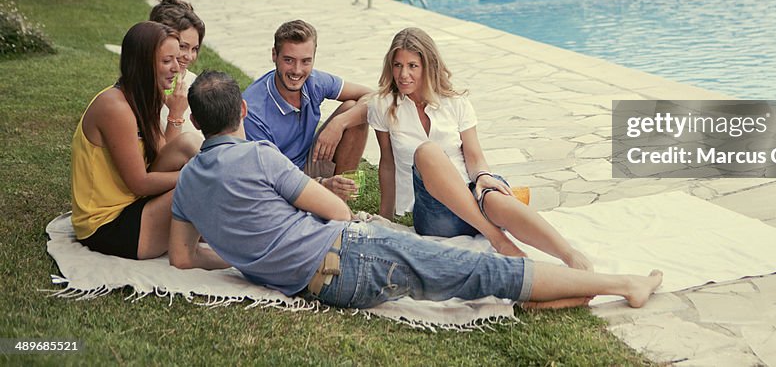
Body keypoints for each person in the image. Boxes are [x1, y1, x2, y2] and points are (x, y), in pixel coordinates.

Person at [170, 70, 663, 310]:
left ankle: (552, 289)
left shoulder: (187, 185)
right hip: (351, 258)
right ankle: (624, 284)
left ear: (196, 119)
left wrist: (243, 255)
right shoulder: (259, 156)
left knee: (473, 277)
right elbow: (337, 212)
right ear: (240, 114)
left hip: (320, 286)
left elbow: (184, 258)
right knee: (483, 269)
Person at [369, 27, 592, 270]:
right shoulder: (383, 106)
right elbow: (387, 164)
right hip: (435, 213)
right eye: (398, 65)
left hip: (472, 193)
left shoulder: (456, 102)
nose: (403, 74)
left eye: (413, 65)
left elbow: (474, 157)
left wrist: (484, 177)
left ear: (428, 66)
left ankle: (569, 255)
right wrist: (386, 219)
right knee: (427, 152)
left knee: (493, 194)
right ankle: (499, 240)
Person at [71, 21, 202, 259]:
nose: (176, 68)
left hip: (136, 205)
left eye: (177, 58)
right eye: (166, 61)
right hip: (108, 225)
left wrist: (174, 115)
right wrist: (197, 174)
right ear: (142, 64)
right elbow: (140, 183)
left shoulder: (143, 97)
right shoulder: (115, 107)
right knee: (202, 185)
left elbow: (164, 158)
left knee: (188, 143)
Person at [242, 20, 371, 201]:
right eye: (288, 60)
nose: (297, 70)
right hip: (277, 183)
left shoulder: (314, 81)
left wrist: (338, 124)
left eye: (305, 61)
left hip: (308, 161)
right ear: (274, 55)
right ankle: (328, 204)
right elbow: (270, 179)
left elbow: (374, 97)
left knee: (352, 110)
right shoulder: (253, 112)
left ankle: (339, 203)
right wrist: (321, 184)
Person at [148, 0, 205, 136]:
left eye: (194, 49)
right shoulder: (142, 91)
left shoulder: (197, 84)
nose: (189, 56)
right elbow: (161, 157)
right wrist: (176, 114)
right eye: (183, 46)